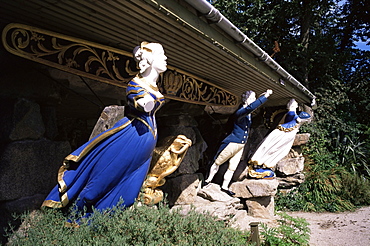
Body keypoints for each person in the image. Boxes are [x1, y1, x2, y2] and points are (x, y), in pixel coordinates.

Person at [42, 42, 167, 219]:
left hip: (145, 146)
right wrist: (144, 102)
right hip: (130, 140)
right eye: (162, 54)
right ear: (149, 59)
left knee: (129, 192)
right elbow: (138, 101)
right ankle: (73, 219)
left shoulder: (154, 86)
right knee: (101, 182)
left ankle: (101, 223)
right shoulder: (136, 84)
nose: (166, 58)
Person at [205, 89, 273, 196]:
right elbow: (250, 108)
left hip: (240, 145)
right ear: (246, 100)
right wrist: (265, 97)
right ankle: (208, 181)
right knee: (217, 162)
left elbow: (251, 109)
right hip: (232, 142)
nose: (253, 100)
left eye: (254, 98)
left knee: (232, 167)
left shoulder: (248, 114)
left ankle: (225, 186)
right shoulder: (240, 111)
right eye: (252, 98)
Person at [248, 98, 311, 179]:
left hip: (284, 139)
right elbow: (291, 114)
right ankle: (258, 165)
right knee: (268, 148)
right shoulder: (292, 117)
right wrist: (293, 108)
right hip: (280, 136)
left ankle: (264, 165)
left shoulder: (295, 123)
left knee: (278, 151)